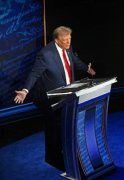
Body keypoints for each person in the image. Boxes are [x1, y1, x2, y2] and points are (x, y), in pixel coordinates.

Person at [13, 26, 96, 170]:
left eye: (70, 39)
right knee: (54, 128)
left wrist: (86, 69)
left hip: (67, 94)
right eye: (65, 40)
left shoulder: (68, 47)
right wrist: (25, 91)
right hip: (49, 98)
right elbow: (34, 73)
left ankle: (64, 153)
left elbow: (75, 61)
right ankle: (52, 157)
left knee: (64, 125)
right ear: (57, 40)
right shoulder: (45, 54)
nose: (68, 42)